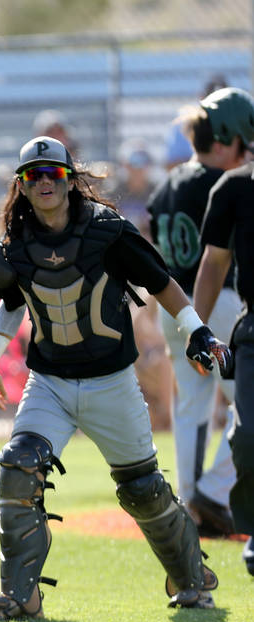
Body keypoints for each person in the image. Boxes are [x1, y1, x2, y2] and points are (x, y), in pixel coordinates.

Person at [0, 135, 230, 622]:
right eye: (33, 175)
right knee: (18, 465)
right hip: (48, 381)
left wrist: (196, 329)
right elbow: (11, 301)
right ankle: (20, 595)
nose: (44, 181)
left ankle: (192, 581)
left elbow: (161, 282)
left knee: (143, 490)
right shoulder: (14, 246)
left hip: (111, 380)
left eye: (53, 173)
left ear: (70, 179)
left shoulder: (108, 231)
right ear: (21, 186)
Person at [147, 87, 254, 536]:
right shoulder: (224, 183)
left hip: (173, 306)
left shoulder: (166, 184)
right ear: (228, 137)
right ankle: (213, 490)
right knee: (247, 405)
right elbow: (219, 258)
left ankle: (190, 503)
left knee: (190, 407)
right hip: (220, 304)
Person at [191, 89, 254, 575]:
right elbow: (214, 264)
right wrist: (195, 327)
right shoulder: (233, 187)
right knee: (248, 434)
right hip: (252, 328)